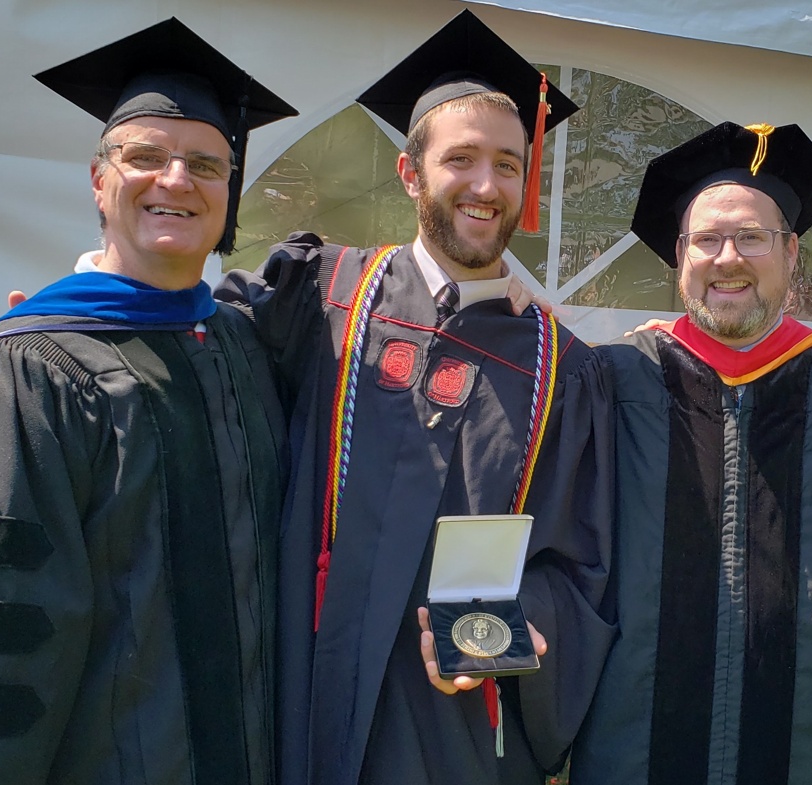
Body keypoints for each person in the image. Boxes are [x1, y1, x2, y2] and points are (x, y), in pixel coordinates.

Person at [216, 10, 614, 785]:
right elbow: (195, 374)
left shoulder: (562, 369)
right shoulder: (322, 292)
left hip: (450, 734)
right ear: (411, 173)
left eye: (507, 163)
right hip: (297, 694)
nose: (485, 185)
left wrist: (515, 627)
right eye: (460, 158)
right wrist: (91, 324)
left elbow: (581, 569)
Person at [0, 18, 295, 785]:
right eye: (145, 157)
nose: (176, 179)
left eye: (204, 163)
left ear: (229, 191)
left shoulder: (239, 348)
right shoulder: (26, 369)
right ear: (100, 179)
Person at [567, 121, 812, 785]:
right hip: (631, 748)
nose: (728, 257)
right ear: (679, 254)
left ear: (791, 253)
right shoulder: (614, 383)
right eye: (708, 239)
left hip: (806, 753)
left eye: (752, 237)